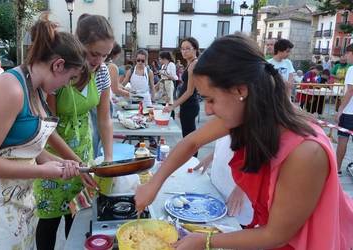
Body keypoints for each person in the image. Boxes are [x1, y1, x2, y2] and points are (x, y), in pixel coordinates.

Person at [135, 34, 353, 249]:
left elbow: (276, 235)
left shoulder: (306, 153)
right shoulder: (246, 112)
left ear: (240, 90)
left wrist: (205, 240)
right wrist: (154, 185)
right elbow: (191, 142)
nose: (208, 110)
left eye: (211, 99)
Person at [0, 14, 84, 250]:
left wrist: (63, 165)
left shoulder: (36, 90)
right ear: (58, 65)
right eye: (70, 78)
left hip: (10, 199)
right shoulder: (11, 89)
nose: (67, 85)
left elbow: (31, 149)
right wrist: (42, 171)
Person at [34, 14, 114, 249]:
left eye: (105, 55)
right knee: (48, 220)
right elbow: (47, 129)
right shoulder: (59, 72)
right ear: (79, 45)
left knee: (77, 216)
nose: (99, 60)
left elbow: (105, 118)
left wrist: (108, 160)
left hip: (84, 152)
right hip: (53, 154)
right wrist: (76, 164)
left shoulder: (102, 73)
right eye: (94, 53)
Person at [193, 136, 253, 226]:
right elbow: (226, 138)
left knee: (234, 220)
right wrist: (213, 155)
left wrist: (240, 187)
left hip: (238, 187)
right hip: (222, 181)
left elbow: (257, 155)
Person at [164, 37, 200, 157]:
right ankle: (190, 159)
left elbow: (190, 91)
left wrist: (173, 106)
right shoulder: (190, 63)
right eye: (182, 49)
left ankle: (192, 160)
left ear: (195, 49)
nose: (184, 51)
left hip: (190, 104)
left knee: (189, 137)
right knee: (188, 135)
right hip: (187, 105)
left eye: (187, 49)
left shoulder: (194, 64)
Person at [335, 43, 353, 176]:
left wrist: (340, 109)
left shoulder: (351, 69)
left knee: (343, 139)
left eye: (347, 53)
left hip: (349, 112)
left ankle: (337, 169)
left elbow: (350, 91)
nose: (345, 56)